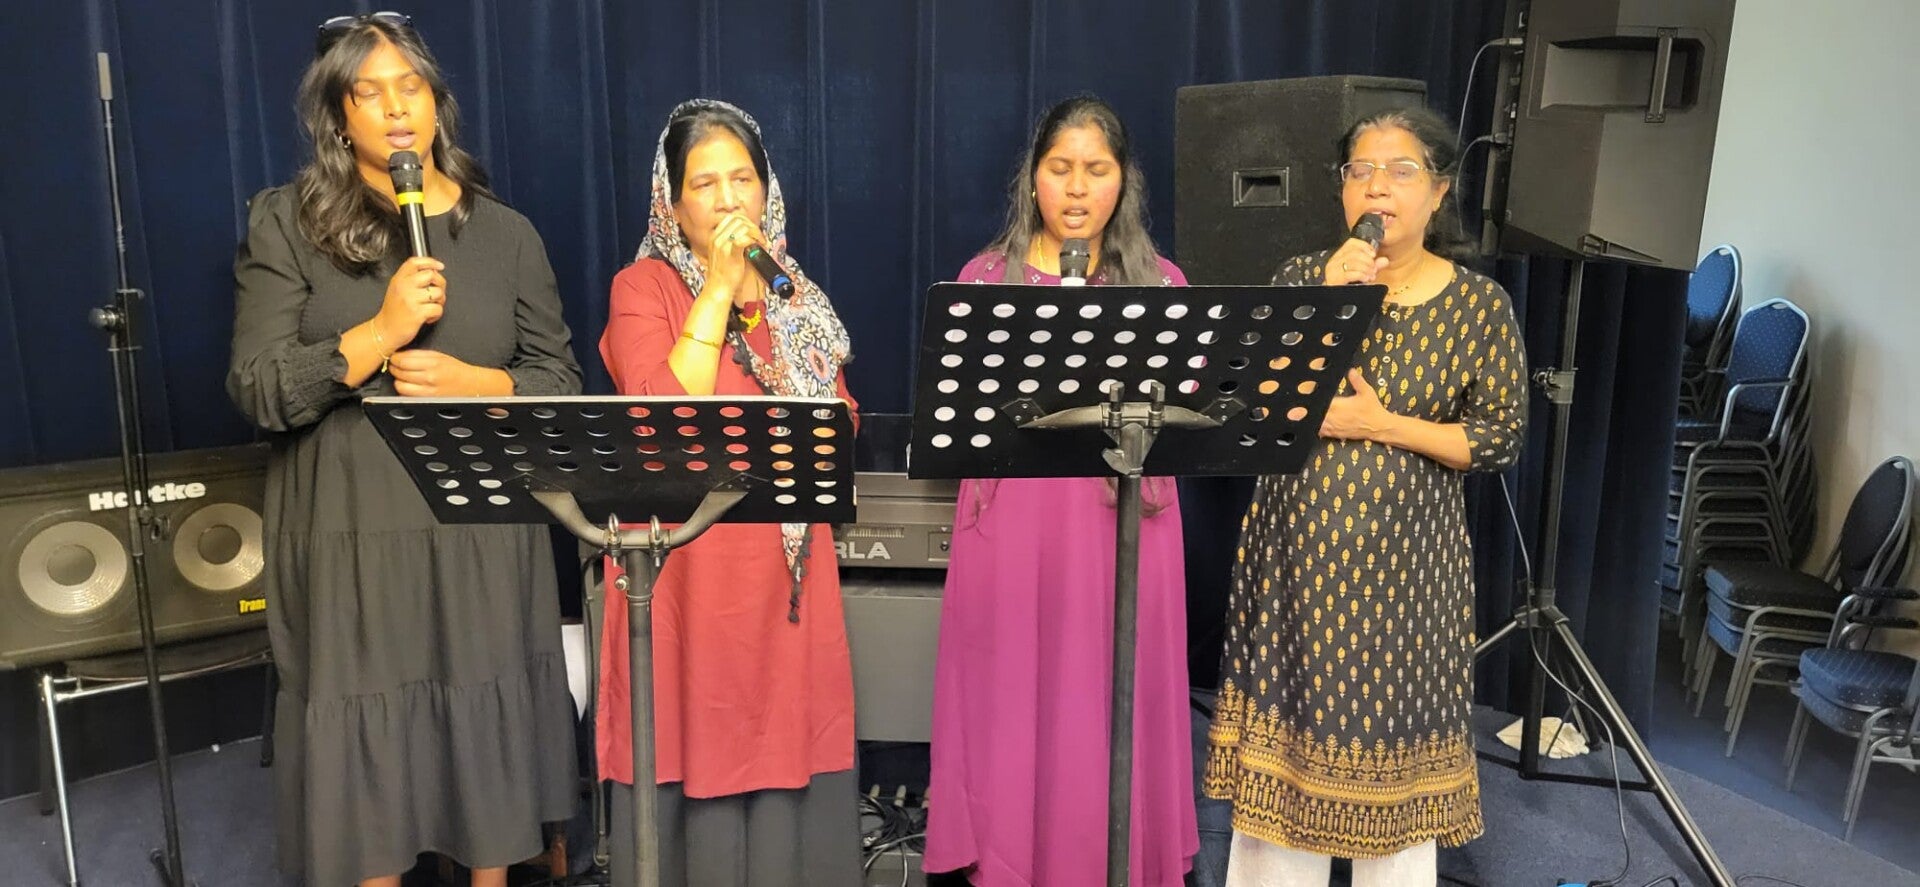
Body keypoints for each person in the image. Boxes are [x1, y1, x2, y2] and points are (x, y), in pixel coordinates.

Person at [226, 13, 580, 887]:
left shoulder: (508, 234)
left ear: (436, 103)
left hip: (480, 532)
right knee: (368, 756)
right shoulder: (288, 222)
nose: (394, 108)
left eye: (410, 87)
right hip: (350, 536)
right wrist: (377, 334)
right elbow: (258, 387)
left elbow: (560, 383)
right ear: (338, 117)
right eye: (369, 92)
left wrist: (478, 383)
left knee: (485, 729)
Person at [1202, 106, 1529, 886]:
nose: (1377, 186)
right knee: (1282, 783)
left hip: (1409, 587)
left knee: (1395, 790)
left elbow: (1498, 437)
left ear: (1439, 191)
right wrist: (1326, 299)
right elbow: (1242, 399)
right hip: (1295, 568)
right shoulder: (1301, 280)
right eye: (1360, 170)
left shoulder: (1478, 304)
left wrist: (1382, 425)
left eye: (1400, 170)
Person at [923, 94, 1199, 887]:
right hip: (1015, 526)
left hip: (1123, 523)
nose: (1077, 189)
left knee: (1109, 700)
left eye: (1097, 170)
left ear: (1124, 180)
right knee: (1014, 698)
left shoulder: (1162, 284)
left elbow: (1188, 418)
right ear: (1032, 178)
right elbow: (964, 418)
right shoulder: (985, 279)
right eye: (1060, 168)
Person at [595, 99, 861, 887]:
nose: (727, 199)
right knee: (689, 744)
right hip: (684, 576)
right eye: (704, 184)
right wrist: (716, 290)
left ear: (766, 191)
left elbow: (837, 429)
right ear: (672, 204)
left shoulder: (797, 297)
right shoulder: (642, 287)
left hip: (784, 584)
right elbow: (658, 419)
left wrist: (762, 301)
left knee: (787, 753)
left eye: (741, 179)